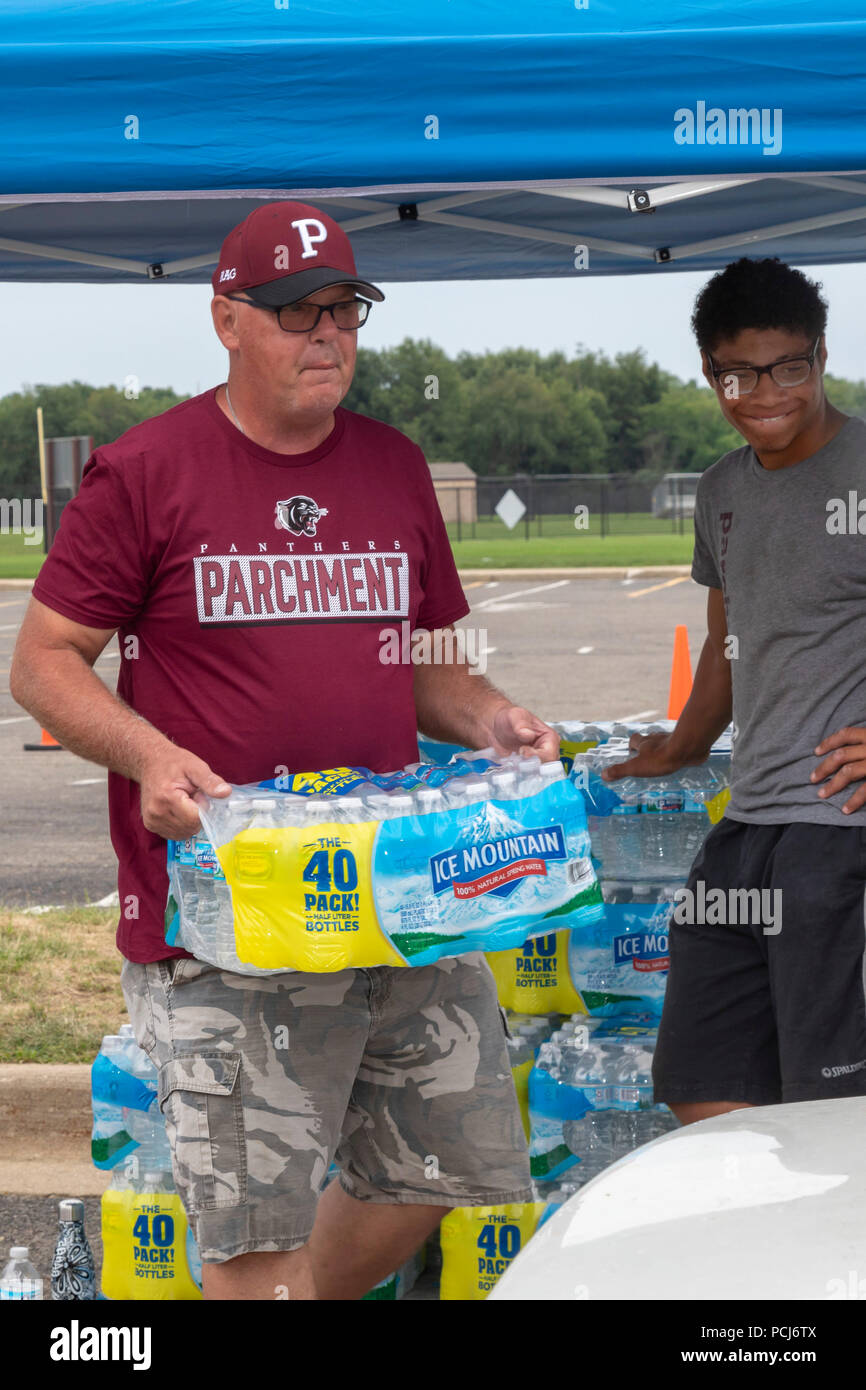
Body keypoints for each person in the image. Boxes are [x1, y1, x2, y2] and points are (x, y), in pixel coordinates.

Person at [10, 200, 558, 1300]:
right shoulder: (147, 469)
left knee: (439, 1161)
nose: (327, 335)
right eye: (294, 312)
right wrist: (151, 756)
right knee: (252, 1232)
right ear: (226, 319)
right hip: (230, 907)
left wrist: (494, 717)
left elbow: (428, 663)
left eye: (344, 311)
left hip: (394, 895)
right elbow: (45, 662)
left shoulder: (395, 467)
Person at [604, 256, 866, 1126]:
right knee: (700, 1078)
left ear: (821, 356)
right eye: (736, 373)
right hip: (747, 824)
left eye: (787, 366)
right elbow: (727, 639)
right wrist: (680, 746)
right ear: (710, 373)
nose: (763, 392)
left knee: (831, 1107)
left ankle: (834, 1260)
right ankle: (772, 1246)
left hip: (840, 834)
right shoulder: (721, 488)